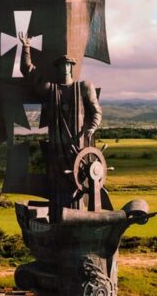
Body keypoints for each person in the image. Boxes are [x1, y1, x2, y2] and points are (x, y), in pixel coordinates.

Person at [19, 32, 102, 221]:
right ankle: (59, 219)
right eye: (61, 65)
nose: (65, 68)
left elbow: (96, 111)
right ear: (57, 68)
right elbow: (28, 71)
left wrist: (92, 127)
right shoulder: (50, 89)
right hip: (57, 146)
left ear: (72, 68)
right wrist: (26, 48)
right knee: (58, 182)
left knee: (79, 180)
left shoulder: (83, 87)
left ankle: (79, 218)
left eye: (68, 65)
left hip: (78, 143)